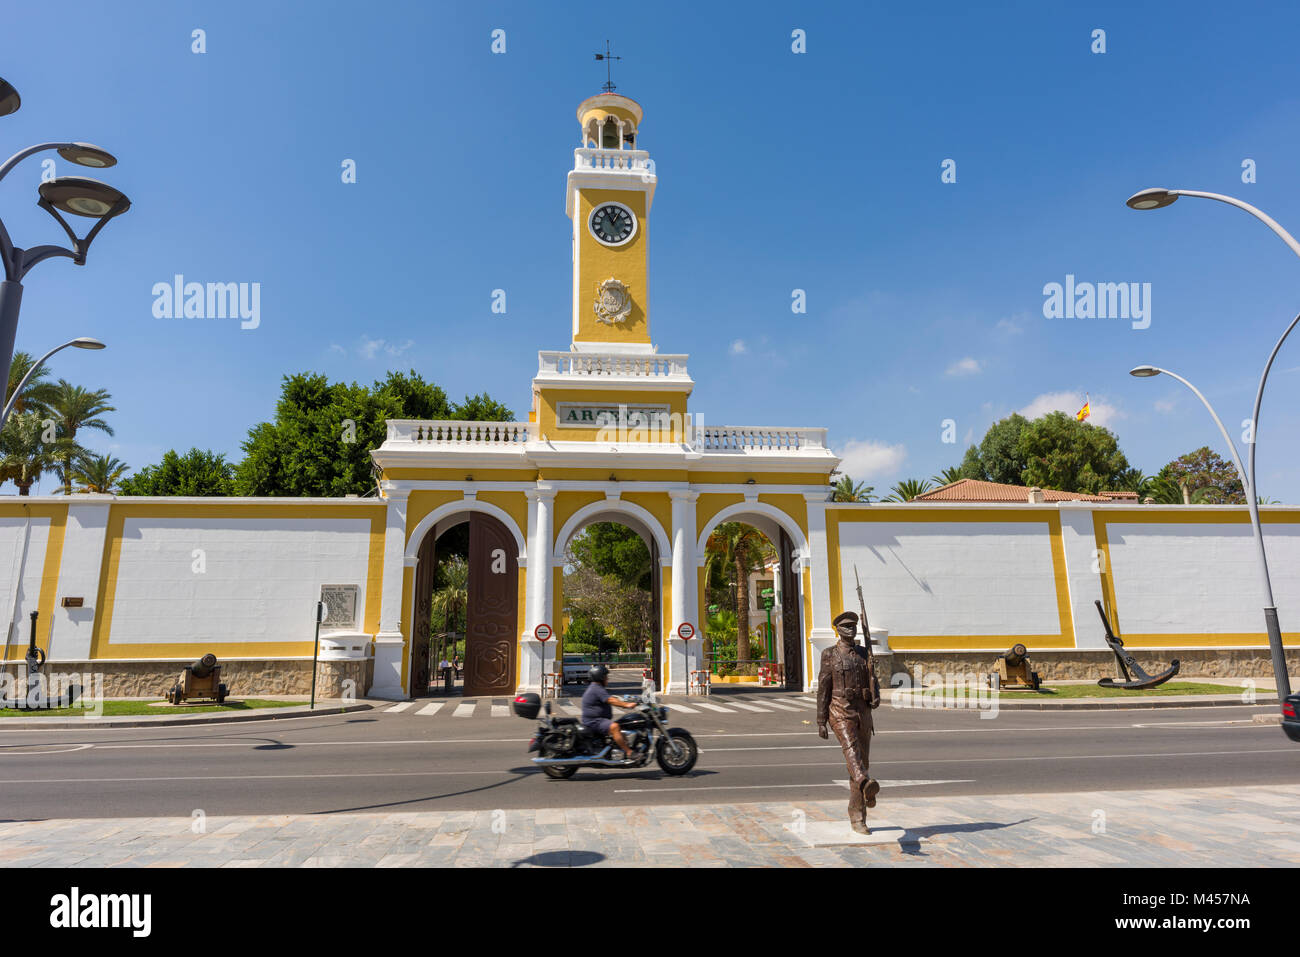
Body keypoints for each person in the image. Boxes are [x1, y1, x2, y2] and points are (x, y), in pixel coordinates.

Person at [817, 610, 880, 834]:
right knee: (853, 755)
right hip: (840, 711)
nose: (850, 629)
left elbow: (873, 682)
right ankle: (864, 786)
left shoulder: (864, 654)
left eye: (853, 626)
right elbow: (823, 688)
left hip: (862, 713)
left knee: (860, 765)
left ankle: (859, 813)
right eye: (845, 626)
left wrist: (875, 695)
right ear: (838, 630)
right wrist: (821, 720)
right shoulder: (829, 654)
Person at [581, 664, 640, 762]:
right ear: (600, 677)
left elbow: (610, 697)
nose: (607, 679)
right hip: (594, 721)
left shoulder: (596, 687)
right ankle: (629, 752)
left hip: (597, 720)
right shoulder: (596, 688)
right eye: (605, 677)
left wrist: (629, 699)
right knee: (615, 727)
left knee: (622, 724)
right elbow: (610, 699)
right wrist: (626, 705)